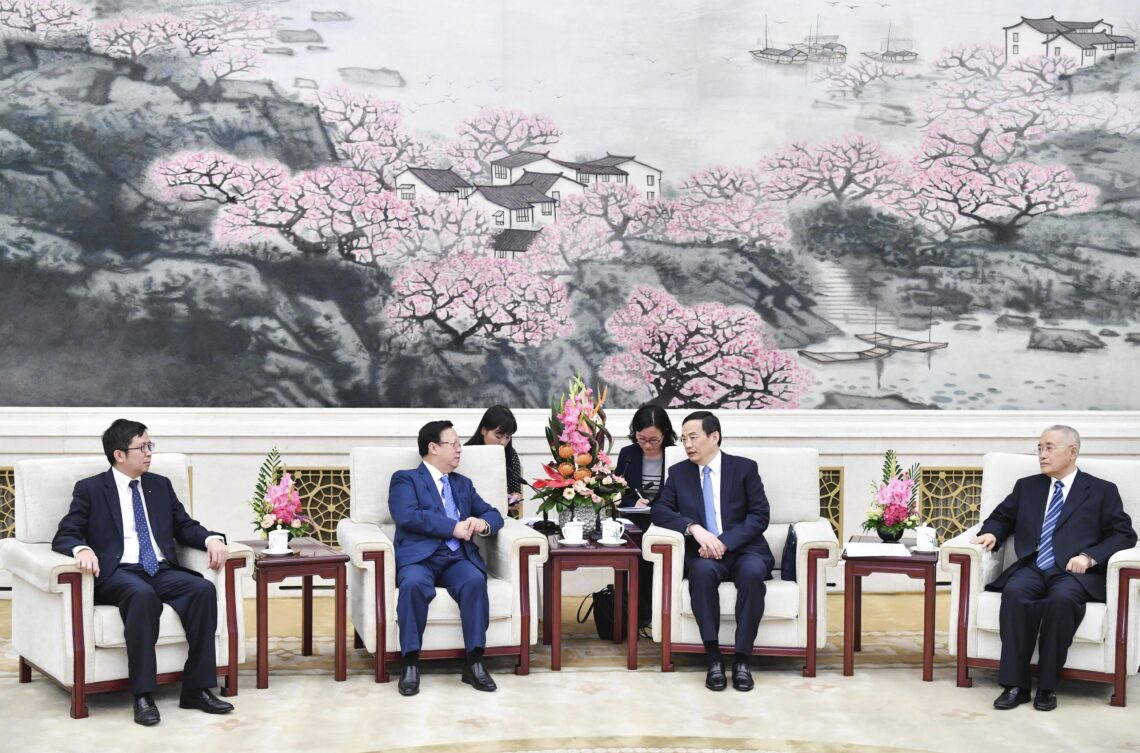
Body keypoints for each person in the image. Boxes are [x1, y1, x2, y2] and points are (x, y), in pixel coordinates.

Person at [51, 419, 234, 726]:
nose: (149, 453)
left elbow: (184, 525)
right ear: (119, 454)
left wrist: (211, 538)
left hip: (159, 568)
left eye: (151, 445)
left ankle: (197, 688)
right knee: (141, 595)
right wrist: (81, 550)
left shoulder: (159, 485)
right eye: (142, 447)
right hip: (118, 572)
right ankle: (143, 694)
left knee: (201, 590)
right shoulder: (92, 489)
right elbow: (66, 533)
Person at [972, 425, 1136, 712]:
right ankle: (1015, 686)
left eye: (1049, 447)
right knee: (1015, 593)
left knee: (1061, 601)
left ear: (1072, 452)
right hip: (1033, 567)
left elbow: (1124, 534)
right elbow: (1001, 517)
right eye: (1039, 448)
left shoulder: (1100, 491)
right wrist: (993, 533)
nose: (1041, 454)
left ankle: (1047, 687)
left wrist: (1089, 556)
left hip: (1074, 573)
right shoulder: (1028, 486)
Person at [651, 410, 773, 693]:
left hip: (744, 550)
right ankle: (714, 658)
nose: (687, 445)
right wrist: (694, 528)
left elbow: (760, 515)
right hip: (704, 553)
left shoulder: (744, 468)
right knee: (701, 574)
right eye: (683, 439)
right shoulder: (679, 473)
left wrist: (726, 541)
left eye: (693, 437)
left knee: (753, 574)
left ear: (714, 437)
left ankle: (742, 660)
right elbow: (659, 510)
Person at [389, 420, 505, 696]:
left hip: (456, 559)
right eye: (453, 444)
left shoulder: (463, 485)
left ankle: (474, 662)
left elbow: (494, 514)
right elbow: (407, 515)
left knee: (475, 580)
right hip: (420, 559)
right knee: (413, 585)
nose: (459, 449)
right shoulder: (405, 479)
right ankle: (410, 663)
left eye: (458, 444)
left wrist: (481, 523)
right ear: (433, 448)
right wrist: (452, 527)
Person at [614, 404, 677, 628]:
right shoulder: (628, 454)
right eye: (642, 439)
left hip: (666, 520)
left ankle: (659, 614)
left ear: (665, 434)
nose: (647, 445)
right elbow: (618, 489)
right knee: (638, 554)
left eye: (654, 440)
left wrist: (657, 505)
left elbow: (682, 493)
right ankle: (638, 616)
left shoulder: (675, 454)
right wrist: (634, 501)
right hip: (636, 519)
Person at [465, 405, 524, 518]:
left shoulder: (511, 455)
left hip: (501, 516)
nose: (503, 442)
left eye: (507, 437)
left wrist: (515, 498)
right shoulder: (465, 454)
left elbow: (515, 491)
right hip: (471, 516)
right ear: (483, 430)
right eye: (498, 435)